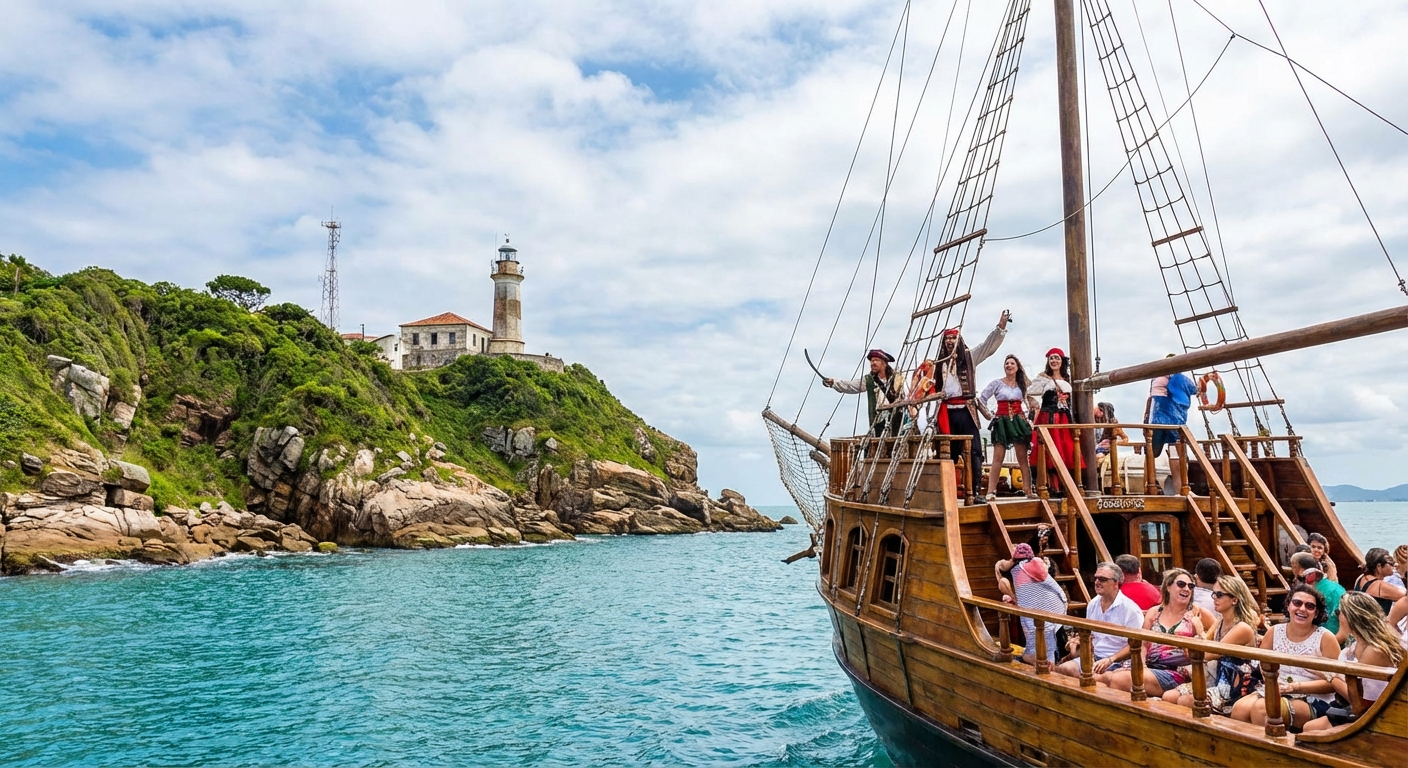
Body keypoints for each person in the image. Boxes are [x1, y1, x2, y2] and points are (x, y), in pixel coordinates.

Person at [1230, 584, 1341, 731]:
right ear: (1288, 605)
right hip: (1276, 689)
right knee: (1239, 709)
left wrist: (1295, 687)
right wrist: (1275, 684)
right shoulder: (1274, 632)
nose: (1302, 609)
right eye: (1297, 603)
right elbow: (1263, 667)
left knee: (1263, 709)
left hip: (1313, 696)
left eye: (1309, 606)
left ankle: (1275, 745)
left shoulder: (1326, 638)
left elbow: (1335, 683)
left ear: (1316, 613)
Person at [920, 314, 1009, 484]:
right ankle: (949, 489)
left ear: (959, 340)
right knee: (948, 451)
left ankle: (975, 489)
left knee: (974, 450)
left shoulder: (970, 357)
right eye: (947, 338)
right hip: (947, 412)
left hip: (967, 410)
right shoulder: (938, 364)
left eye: (953, 338)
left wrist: (1000, 328)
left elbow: (987, 347)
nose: (950, 341)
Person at [1301, 592, 1406, 732]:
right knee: (1310, 727)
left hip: (1378, 715)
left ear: (1350, 617)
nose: (1337, 616)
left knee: (1312, 731)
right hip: (1364, 710)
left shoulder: (1374, 650)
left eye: (1339, 612)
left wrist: (1327, 674)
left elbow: (1357, 701)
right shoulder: (1358, 643)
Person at [1108, 568, 1216, 698]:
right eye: (1181, 584)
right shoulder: (1155, 612)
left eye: (1191, 586)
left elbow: (1219, 637)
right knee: (1104, 677)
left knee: (1120, 679)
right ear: (1168, 587)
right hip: (1149, 664)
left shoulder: (1198, 613)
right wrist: (1142, 664)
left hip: (1176, 671)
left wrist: (1200, 632)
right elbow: (1143, 644)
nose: (1187, 589)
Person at [1164, 575, 1259, 712]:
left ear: (1234, 600)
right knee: (1169, 696)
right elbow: (1202, 646)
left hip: (1233, 687)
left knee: (1185, 701)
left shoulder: (1242, 628)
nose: (1214, 598)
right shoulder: (1220, 621)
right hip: (1216, 678)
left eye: (1219, 595)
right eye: (1214, 593)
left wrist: (1198, 630)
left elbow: (1207, 654)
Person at [1054, 562, 1142, 681]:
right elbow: (1090, 635)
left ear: (1116, 583)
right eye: (1096, 578)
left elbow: (1136, 645)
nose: (1097, 582)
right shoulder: (1093, 604)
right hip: (1093, 656)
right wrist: (1077, 642)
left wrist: (1111, 659)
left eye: (1102, 579)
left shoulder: (1131, 609)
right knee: (1063, 669)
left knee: (1088, 678)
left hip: (1117, 661)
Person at [994, 543, 1067, 665]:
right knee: (1039, 632)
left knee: (1046, 633)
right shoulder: (1016, 569)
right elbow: (1001, 569)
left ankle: (1049, 660)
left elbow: (1046, 582)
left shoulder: (1032, 564)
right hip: (1038, 607)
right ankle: (1045, 658)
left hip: (1044, 605)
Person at [979, 354, 1034, 500]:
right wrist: (990, 416)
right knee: (998, 457)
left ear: (1017, 367)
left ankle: (1028, 490)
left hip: (1018, 421)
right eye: (1007, 363)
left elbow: (1032, 401)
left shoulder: (1022, 384)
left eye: (1012, 363)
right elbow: (982, 399)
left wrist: (1029, 418)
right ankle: (991, 491)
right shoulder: (997, 383)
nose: (1009, 365)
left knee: (1023, 458)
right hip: (1002, 421)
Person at [1026, 348, 1081, 493]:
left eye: (1057, 358)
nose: (1054, 361)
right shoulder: (1043, 378)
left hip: (1063, 418)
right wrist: (1035, 402)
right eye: (1051, 358)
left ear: (1062, 361)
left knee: (1065, 449)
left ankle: (1065, 485)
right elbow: (1030, 392)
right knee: (1048, 450)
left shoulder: (1067, 378)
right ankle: (1051, 485)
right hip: (1048, 417)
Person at [1144, 359, 1198, 490]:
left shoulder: (1156, 379)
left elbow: (1150, 400)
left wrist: (1146, 420)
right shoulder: (1177, 378)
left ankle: (1148, 486)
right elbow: (1193, 389)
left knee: (1152, 451)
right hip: (1170, 418)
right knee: (1174, 449)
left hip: (1156, 419)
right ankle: (1180, 488)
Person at [824, 349, 902, 436]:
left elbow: (905, 395)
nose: (873, 363)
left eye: (877, 360)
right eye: (872, 361)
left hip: (898, 420)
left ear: (884, 363)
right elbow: (851, 386)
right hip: (878, 422)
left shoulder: (897, 378)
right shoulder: (869, 380)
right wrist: (834, 382)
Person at [1292, 552, 1345, 635]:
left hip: (1332, 636)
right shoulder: (1329, 586)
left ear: (1301, 570)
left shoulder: (1332, 590)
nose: (1293, 570)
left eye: (1294, 567)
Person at [1353, 547, 1407, 614]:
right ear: (1379, 567)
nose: (1395, 565)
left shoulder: (1361, 578)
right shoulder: (1380, 586)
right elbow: (1405, 597)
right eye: (1391, 563)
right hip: (1375, 620)